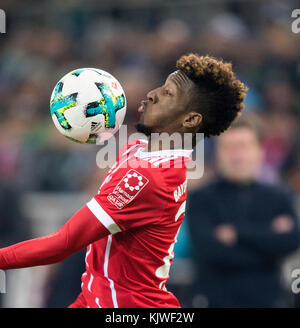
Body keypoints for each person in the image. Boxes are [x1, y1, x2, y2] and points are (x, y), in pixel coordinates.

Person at [0, 54, 248, 308]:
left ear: (191, 120)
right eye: (161, 87)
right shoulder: (139, 149)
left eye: (168, 94)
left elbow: (62, 243)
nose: (152, 94)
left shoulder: (147, 178)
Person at [187, 114, 300, 308]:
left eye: (243, 146)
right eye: (228, 148)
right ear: (217, 153)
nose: (236, 155)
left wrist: (236, 233)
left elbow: (291, 241)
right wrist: (268, 239)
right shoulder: (200, 199)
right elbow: (210, 250)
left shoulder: (279, 196)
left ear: (260, 150)